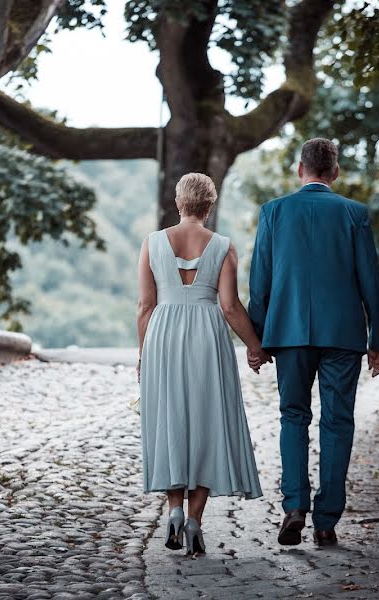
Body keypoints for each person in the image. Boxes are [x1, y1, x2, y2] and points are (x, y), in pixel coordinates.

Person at [247, 138, 379, 547]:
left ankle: (294, 506)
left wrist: (257, 341)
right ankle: (326, 520)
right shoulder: (353, 213)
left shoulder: (273, 212)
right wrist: (377, 339)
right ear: (335, 171)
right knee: (337, 421)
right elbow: (371, 284)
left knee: (293, 417)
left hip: (288, 334)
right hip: (343, 335)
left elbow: (261, 284)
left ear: (300, 169)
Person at [137, 172, 267, 555]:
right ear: (209, 207)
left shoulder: (152, 243)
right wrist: (255, 347)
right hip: (208, 336)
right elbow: (229, 306)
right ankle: (195, 521)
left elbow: (145, 306)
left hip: (163, 334)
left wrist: (144, 355)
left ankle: (173, 511)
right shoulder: (224, 246)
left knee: (171, 421)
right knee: (209, 423)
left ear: (179, 203)